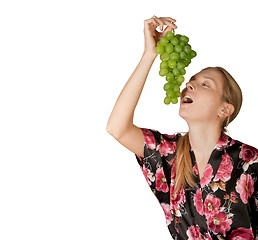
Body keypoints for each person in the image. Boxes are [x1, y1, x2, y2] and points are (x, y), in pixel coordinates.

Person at [106, 16, 258, 239]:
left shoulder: (249, 162)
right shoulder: (169, 155)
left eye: (205, 84)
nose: (189, 85)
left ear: (225, 110)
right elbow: (117, 127)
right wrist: (150, 54)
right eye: (191, 81)